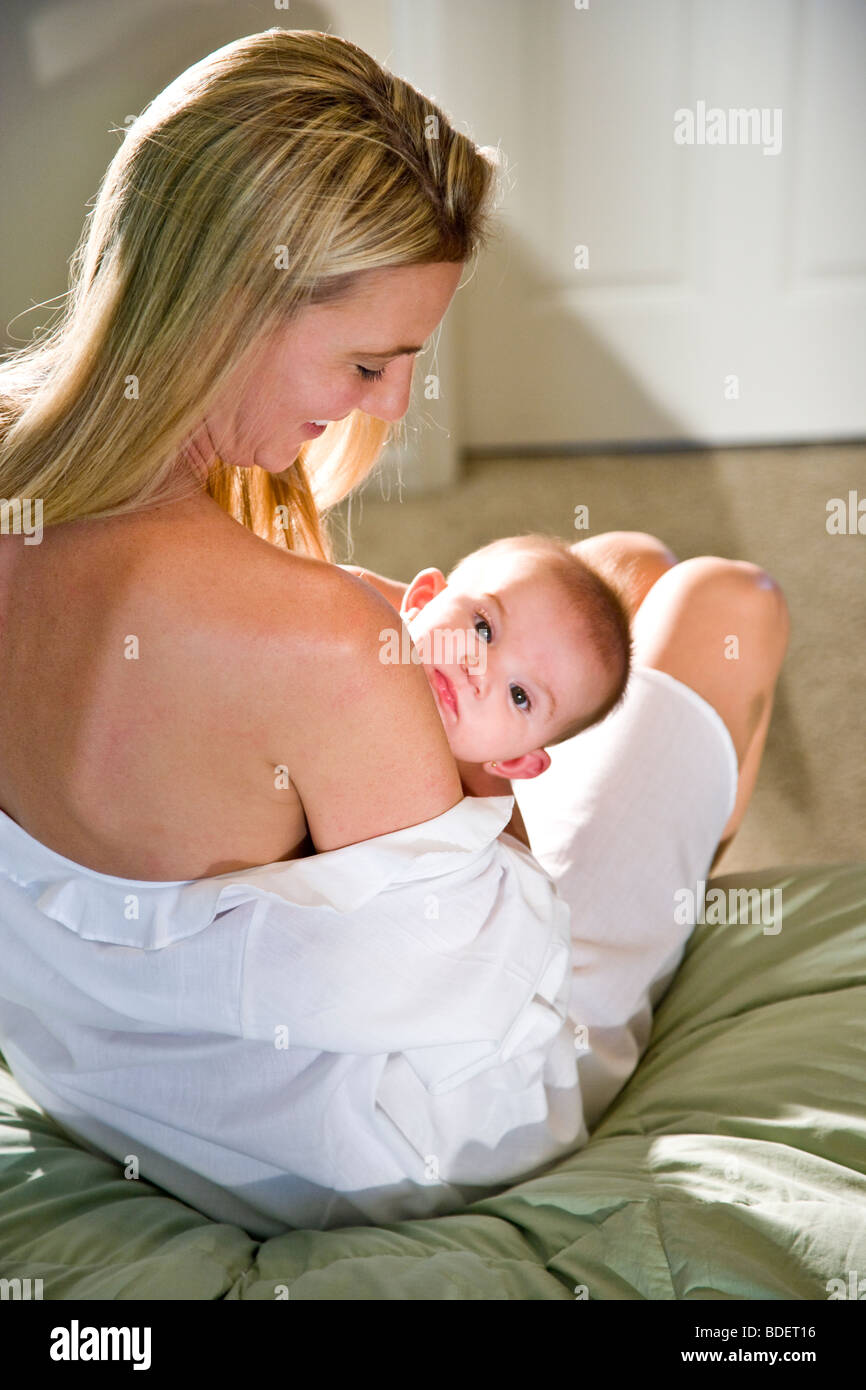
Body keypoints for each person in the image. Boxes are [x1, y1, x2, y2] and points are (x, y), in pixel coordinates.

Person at [0, 30, 789, 1235]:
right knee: (726, 603)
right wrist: (492, 794)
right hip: (392, 1146)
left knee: (610, 577)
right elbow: (499, 996)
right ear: (227, 306)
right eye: (369, 360)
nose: (387, 405)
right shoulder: (326, 643)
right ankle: (693, 830)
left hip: (109, 1089)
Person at [347, 531, 633, 790]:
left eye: (518, 695)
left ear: (514, 761)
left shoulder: (453, 825)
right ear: (424, 600)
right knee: (636, 551)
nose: (479, 671)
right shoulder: (344, 626)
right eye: (483, 630)